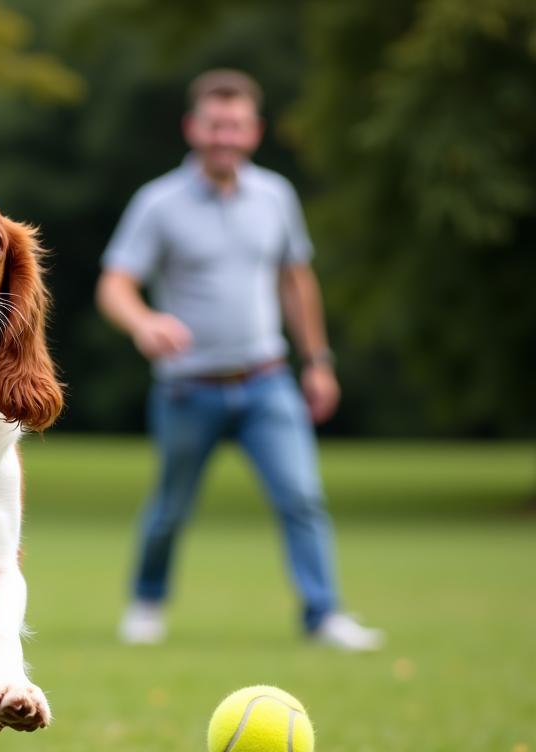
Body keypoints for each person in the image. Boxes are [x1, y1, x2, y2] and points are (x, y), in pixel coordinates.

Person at [96, 68, 383, 651]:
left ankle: (323, 614)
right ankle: (148, 602)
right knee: (171, 507)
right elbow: (115, 284)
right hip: (187, 387)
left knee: (301, 496)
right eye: (215, 125)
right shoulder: (159, 203)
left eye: (237, 125)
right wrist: (144, 321)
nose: (225, 136)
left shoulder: (275, 195)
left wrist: (318, 361)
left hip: (267, 381)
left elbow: (295, 281)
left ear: (254, 132)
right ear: (192, 128)